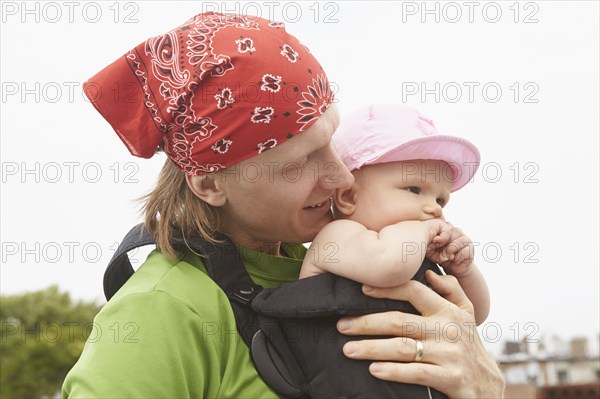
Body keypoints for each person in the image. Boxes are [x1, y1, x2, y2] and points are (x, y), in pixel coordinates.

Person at [62, 11, 504, 399]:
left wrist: (484, 386)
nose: (342, 177)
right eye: (303, 160)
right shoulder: (162, 312)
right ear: (211, 183)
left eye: (332, 143)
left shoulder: (315, 255)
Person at [301, 104, 490, 325]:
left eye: (440, 200)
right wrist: (423, 230)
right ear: (349, 198)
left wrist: (462, 270)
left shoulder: (415, 249)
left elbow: (474, 315)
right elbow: (389, 266)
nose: (436, 209)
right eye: (414, 190)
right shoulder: (336, 236)